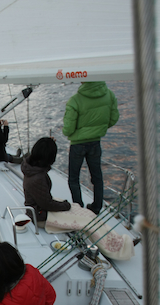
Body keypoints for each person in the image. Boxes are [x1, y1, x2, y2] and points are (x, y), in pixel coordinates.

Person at [62, 81, 119, 215]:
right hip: (95, 142)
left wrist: (72, 132)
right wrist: (98, 129)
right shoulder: (109, 95)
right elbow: (114, 118)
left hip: (77, 144)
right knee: (97, 177)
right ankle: (97, 207)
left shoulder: (75, 100)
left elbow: (68, 129)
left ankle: (79, 208)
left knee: (73, 178)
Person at [22, 136, 71, 227]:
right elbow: (47, 204)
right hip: (38, 215)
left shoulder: (30, 168)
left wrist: (48, 143)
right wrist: (66, 206)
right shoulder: (38, 178)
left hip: (37, 209)